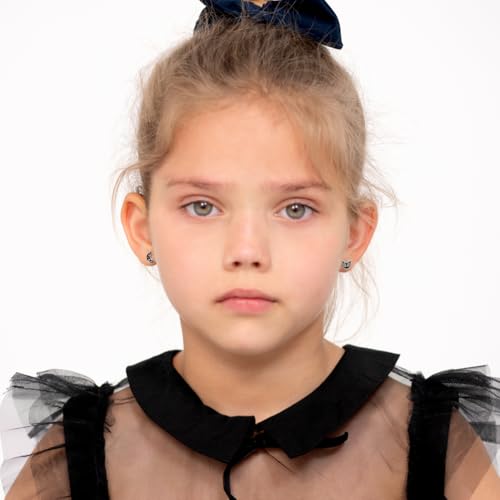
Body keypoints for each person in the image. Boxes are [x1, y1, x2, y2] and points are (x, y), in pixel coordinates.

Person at [1, 1, 499, 498]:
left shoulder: (436, 445)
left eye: (295, 209)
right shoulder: (75, 454)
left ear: (354, 233)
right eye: (202, 206)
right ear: (142, 228)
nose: (246, 251)